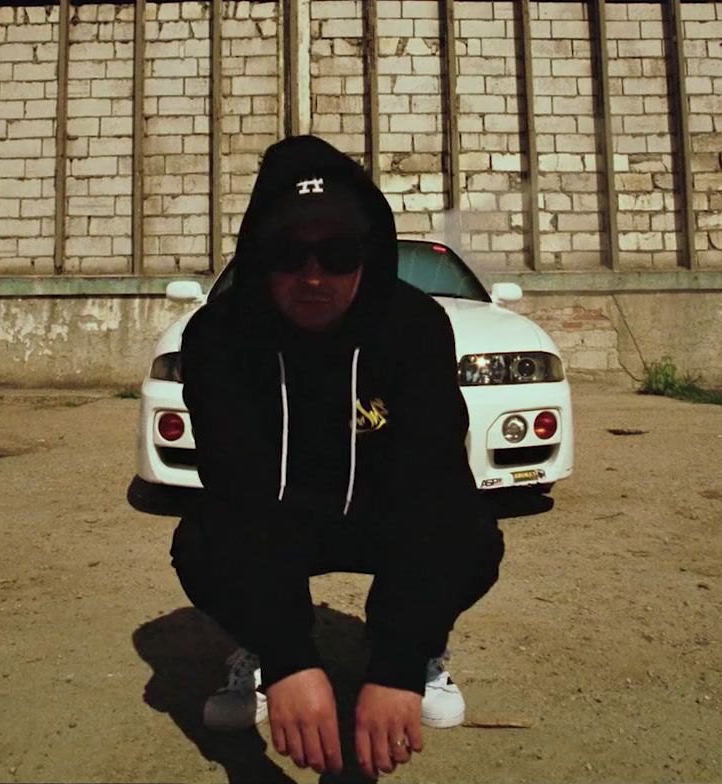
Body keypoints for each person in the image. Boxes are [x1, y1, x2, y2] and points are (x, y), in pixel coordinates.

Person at [170, 135, 505, 780]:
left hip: (383, 517)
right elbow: (236, 498)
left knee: (471, 533)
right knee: (201, 541)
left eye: (340, 252)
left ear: (370, 255)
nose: (314, 276)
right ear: (258, 256)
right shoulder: (219, 336)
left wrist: (399, 662)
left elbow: (431, 490)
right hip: (279, 520)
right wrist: (290, 655)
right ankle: (258, 649)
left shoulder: (414, 326)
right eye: (287, 253)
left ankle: (426, 645)